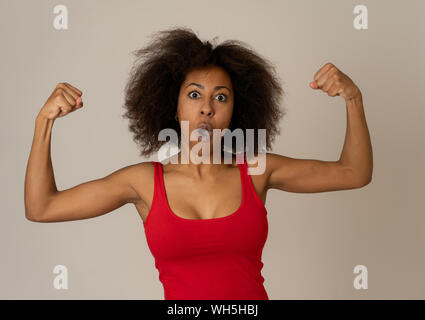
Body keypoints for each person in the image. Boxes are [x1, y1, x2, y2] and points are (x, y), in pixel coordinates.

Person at [24, 27, 373, 300]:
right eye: (194, 95)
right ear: (173, 107)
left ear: (236, 110)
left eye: (221, 97)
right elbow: (42, 207)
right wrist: (44, 123)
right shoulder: (144, 182)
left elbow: (354, 173)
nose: (207, 107)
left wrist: (353, 99)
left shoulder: (256, 169)